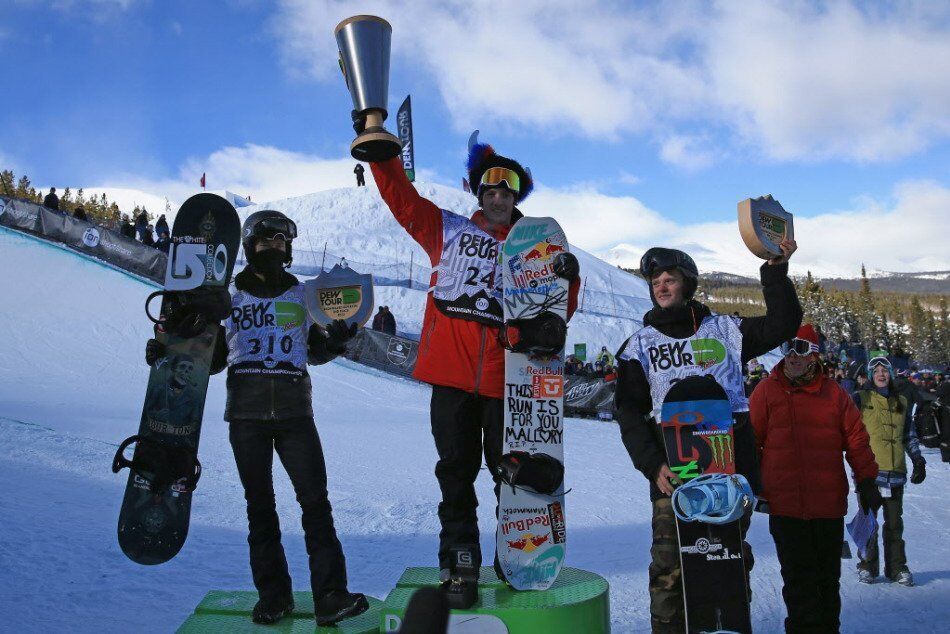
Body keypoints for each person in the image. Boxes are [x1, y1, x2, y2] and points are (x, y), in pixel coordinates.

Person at [367, 135, 580, 602]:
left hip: (510, 383)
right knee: (455, 473)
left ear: (516, 197)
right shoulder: (448, 230)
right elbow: (403, 201)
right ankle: (461, 561)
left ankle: (518, 553)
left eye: (507, 190)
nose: (499, 197)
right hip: (452, 378)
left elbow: (559, 309)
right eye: (491, 190)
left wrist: (569, 274)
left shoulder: (536, 249)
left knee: (513, 472)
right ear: (479, 195)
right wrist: (382, 154)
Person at [144, 209, 369, 626]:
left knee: (315, 503)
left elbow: (315, 350)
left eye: (282, 242)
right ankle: (273, 595)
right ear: (250, 246)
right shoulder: (229, 298)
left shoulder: (305, 296)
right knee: (259, 506)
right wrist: (170, 348)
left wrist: (336, 341)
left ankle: (331, 595)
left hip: (294, 411)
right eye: (267, 241)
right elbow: (210, 362)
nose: (276, 248)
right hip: (246, 413)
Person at [614, 241, 802, 633]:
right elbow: (629, 413)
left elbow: (784, 323)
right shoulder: (639, 346)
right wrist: (652, 464)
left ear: (688, 284)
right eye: (656, 282)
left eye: (671, 280)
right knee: (669, 566)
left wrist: (775, 271)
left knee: (726, 560)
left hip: (730, 469)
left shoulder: (726, 330)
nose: (663, 287)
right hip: (674, 473)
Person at [750, 324, 881, 634]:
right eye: (787, 349)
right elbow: (750, 442)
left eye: (801, 349)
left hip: (827, 505)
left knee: (827, 583)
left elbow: (857, 440)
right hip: (785, 507)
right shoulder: (766, 391)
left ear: (814, 356)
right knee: (798, 584)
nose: (793, 357)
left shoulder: (834, 394)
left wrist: (866, 480)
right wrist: (750, 485)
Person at [854, 356, 926, 586]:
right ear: (871, 376)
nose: (881, 374)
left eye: (885, 371)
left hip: (895, 473)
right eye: (876, 371)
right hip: (870, 475)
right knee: (869, 523)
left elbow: (908, 435)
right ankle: (867, 565)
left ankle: (897, 567)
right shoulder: (861, 399)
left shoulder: (901, 401)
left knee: (894, 524)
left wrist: (918, 459)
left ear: (891, 375)